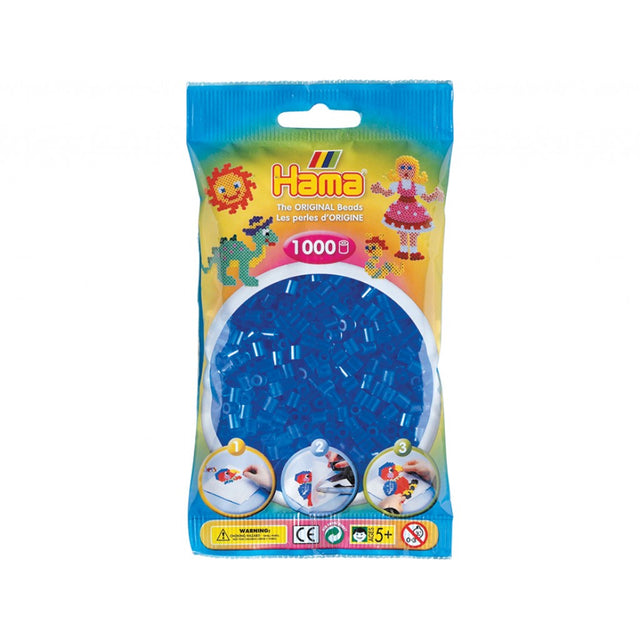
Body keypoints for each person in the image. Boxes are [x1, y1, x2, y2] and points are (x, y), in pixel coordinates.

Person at [370, 155, 444, 260]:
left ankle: (414, 252)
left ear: (415, 171)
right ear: (398, 170)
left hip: (414, 210)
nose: (406, 171)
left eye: (409, 168)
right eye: (402, 167)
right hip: (400, 210)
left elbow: (426, 198)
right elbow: (388, 193)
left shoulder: (417, 187)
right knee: (402, 232)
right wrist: (380, 189)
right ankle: (403, 251)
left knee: (413, 232)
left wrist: (435, 195)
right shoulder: (396, 185)